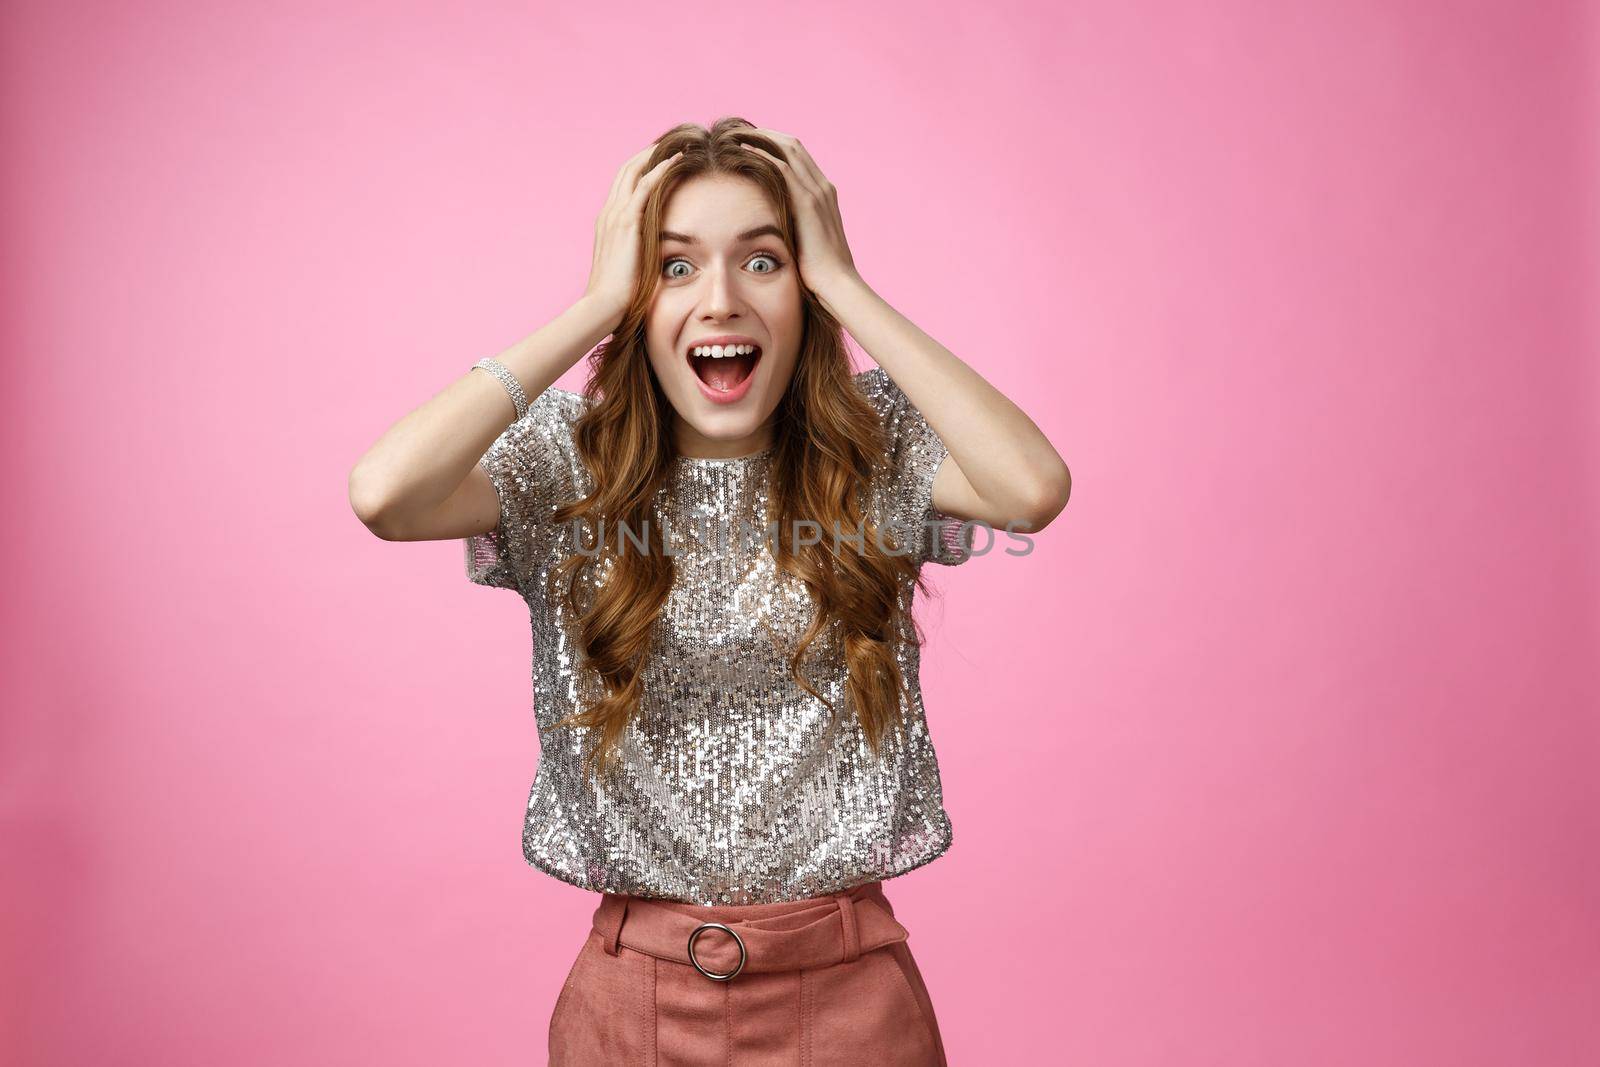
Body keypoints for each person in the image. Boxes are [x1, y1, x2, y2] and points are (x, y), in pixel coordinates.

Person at [348, 117, 1071, 1065]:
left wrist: (847, 286)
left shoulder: (875, 452)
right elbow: (384, 493)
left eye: (764, 262)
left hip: (851, 1001)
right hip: (630, 1007)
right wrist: (597, 299)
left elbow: (1032, 486)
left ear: (803, 288)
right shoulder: (566, 466)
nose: (721, 299)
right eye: (676, 267)